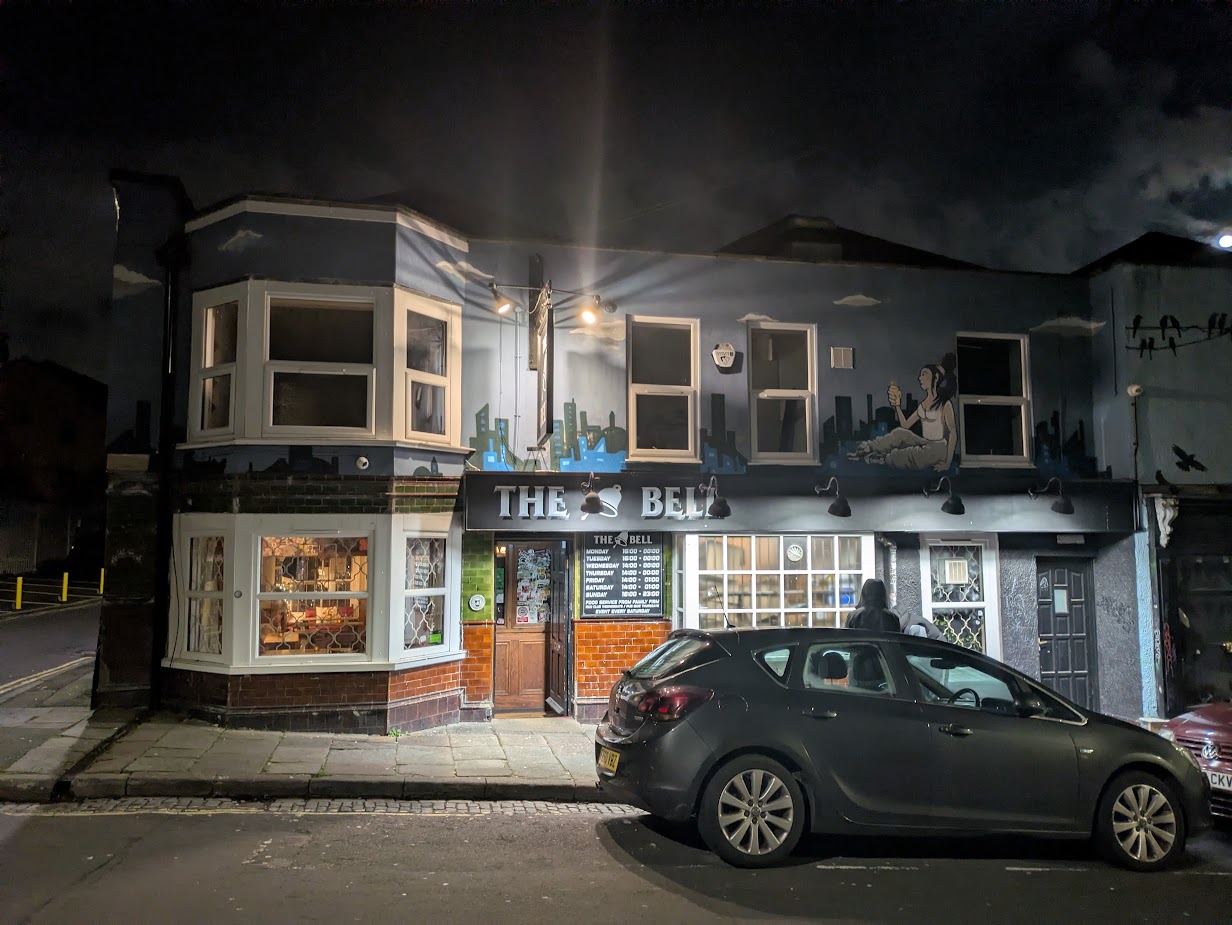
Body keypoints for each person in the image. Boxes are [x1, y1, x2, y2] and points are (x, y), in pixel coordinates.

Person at [847, 353, 958, 471]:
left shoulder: (944, 404)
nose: (920, 378)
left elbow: (953, 433)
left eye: (924, 375)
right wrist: (897, 405)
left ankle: (884, 458)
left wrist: (947, 463)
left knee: (911, 454)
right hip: (925, 442)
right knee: (900, 433)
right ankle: (867, 448)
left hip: (938, 449)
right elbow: (905, 425)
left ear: (935, 378)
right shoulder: (923, 404)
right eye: (920, 375)